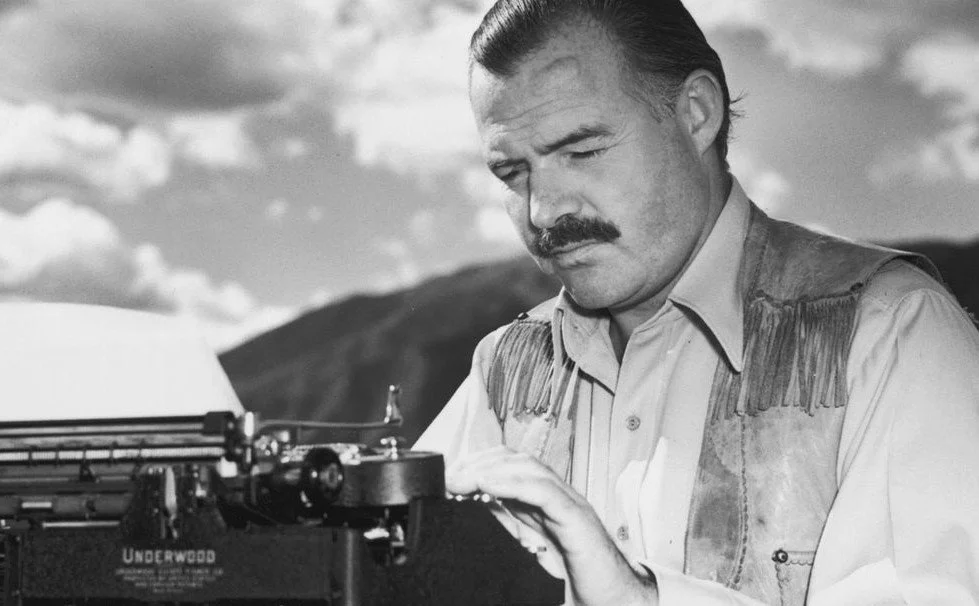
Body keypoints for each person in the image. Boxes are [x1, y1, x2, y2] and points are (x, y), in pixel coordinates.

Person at [414, 0, 979, 604]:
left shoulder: (896, 333)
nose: (542, 211)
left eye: (582, 151)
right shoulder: (503, 369)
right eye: (512, 173)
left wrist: (638, 598)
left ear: (697, 113)